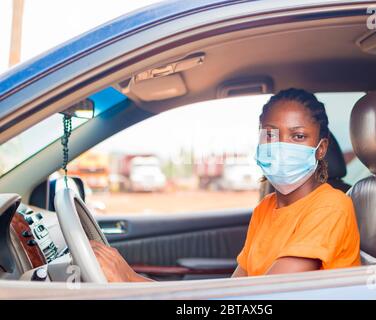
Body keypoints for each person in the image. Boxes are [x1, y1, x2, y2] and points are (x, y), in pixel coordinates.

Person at [90, 88, 361, 282]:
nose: (280, 146)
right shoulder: (266, 208)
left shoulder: (332, 206)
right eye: (271, 134)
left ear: (321, 148)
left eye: (298, 136)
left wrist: (129, 281)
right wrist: (134, 280)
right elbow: (236, 290)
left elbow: (263, 297)